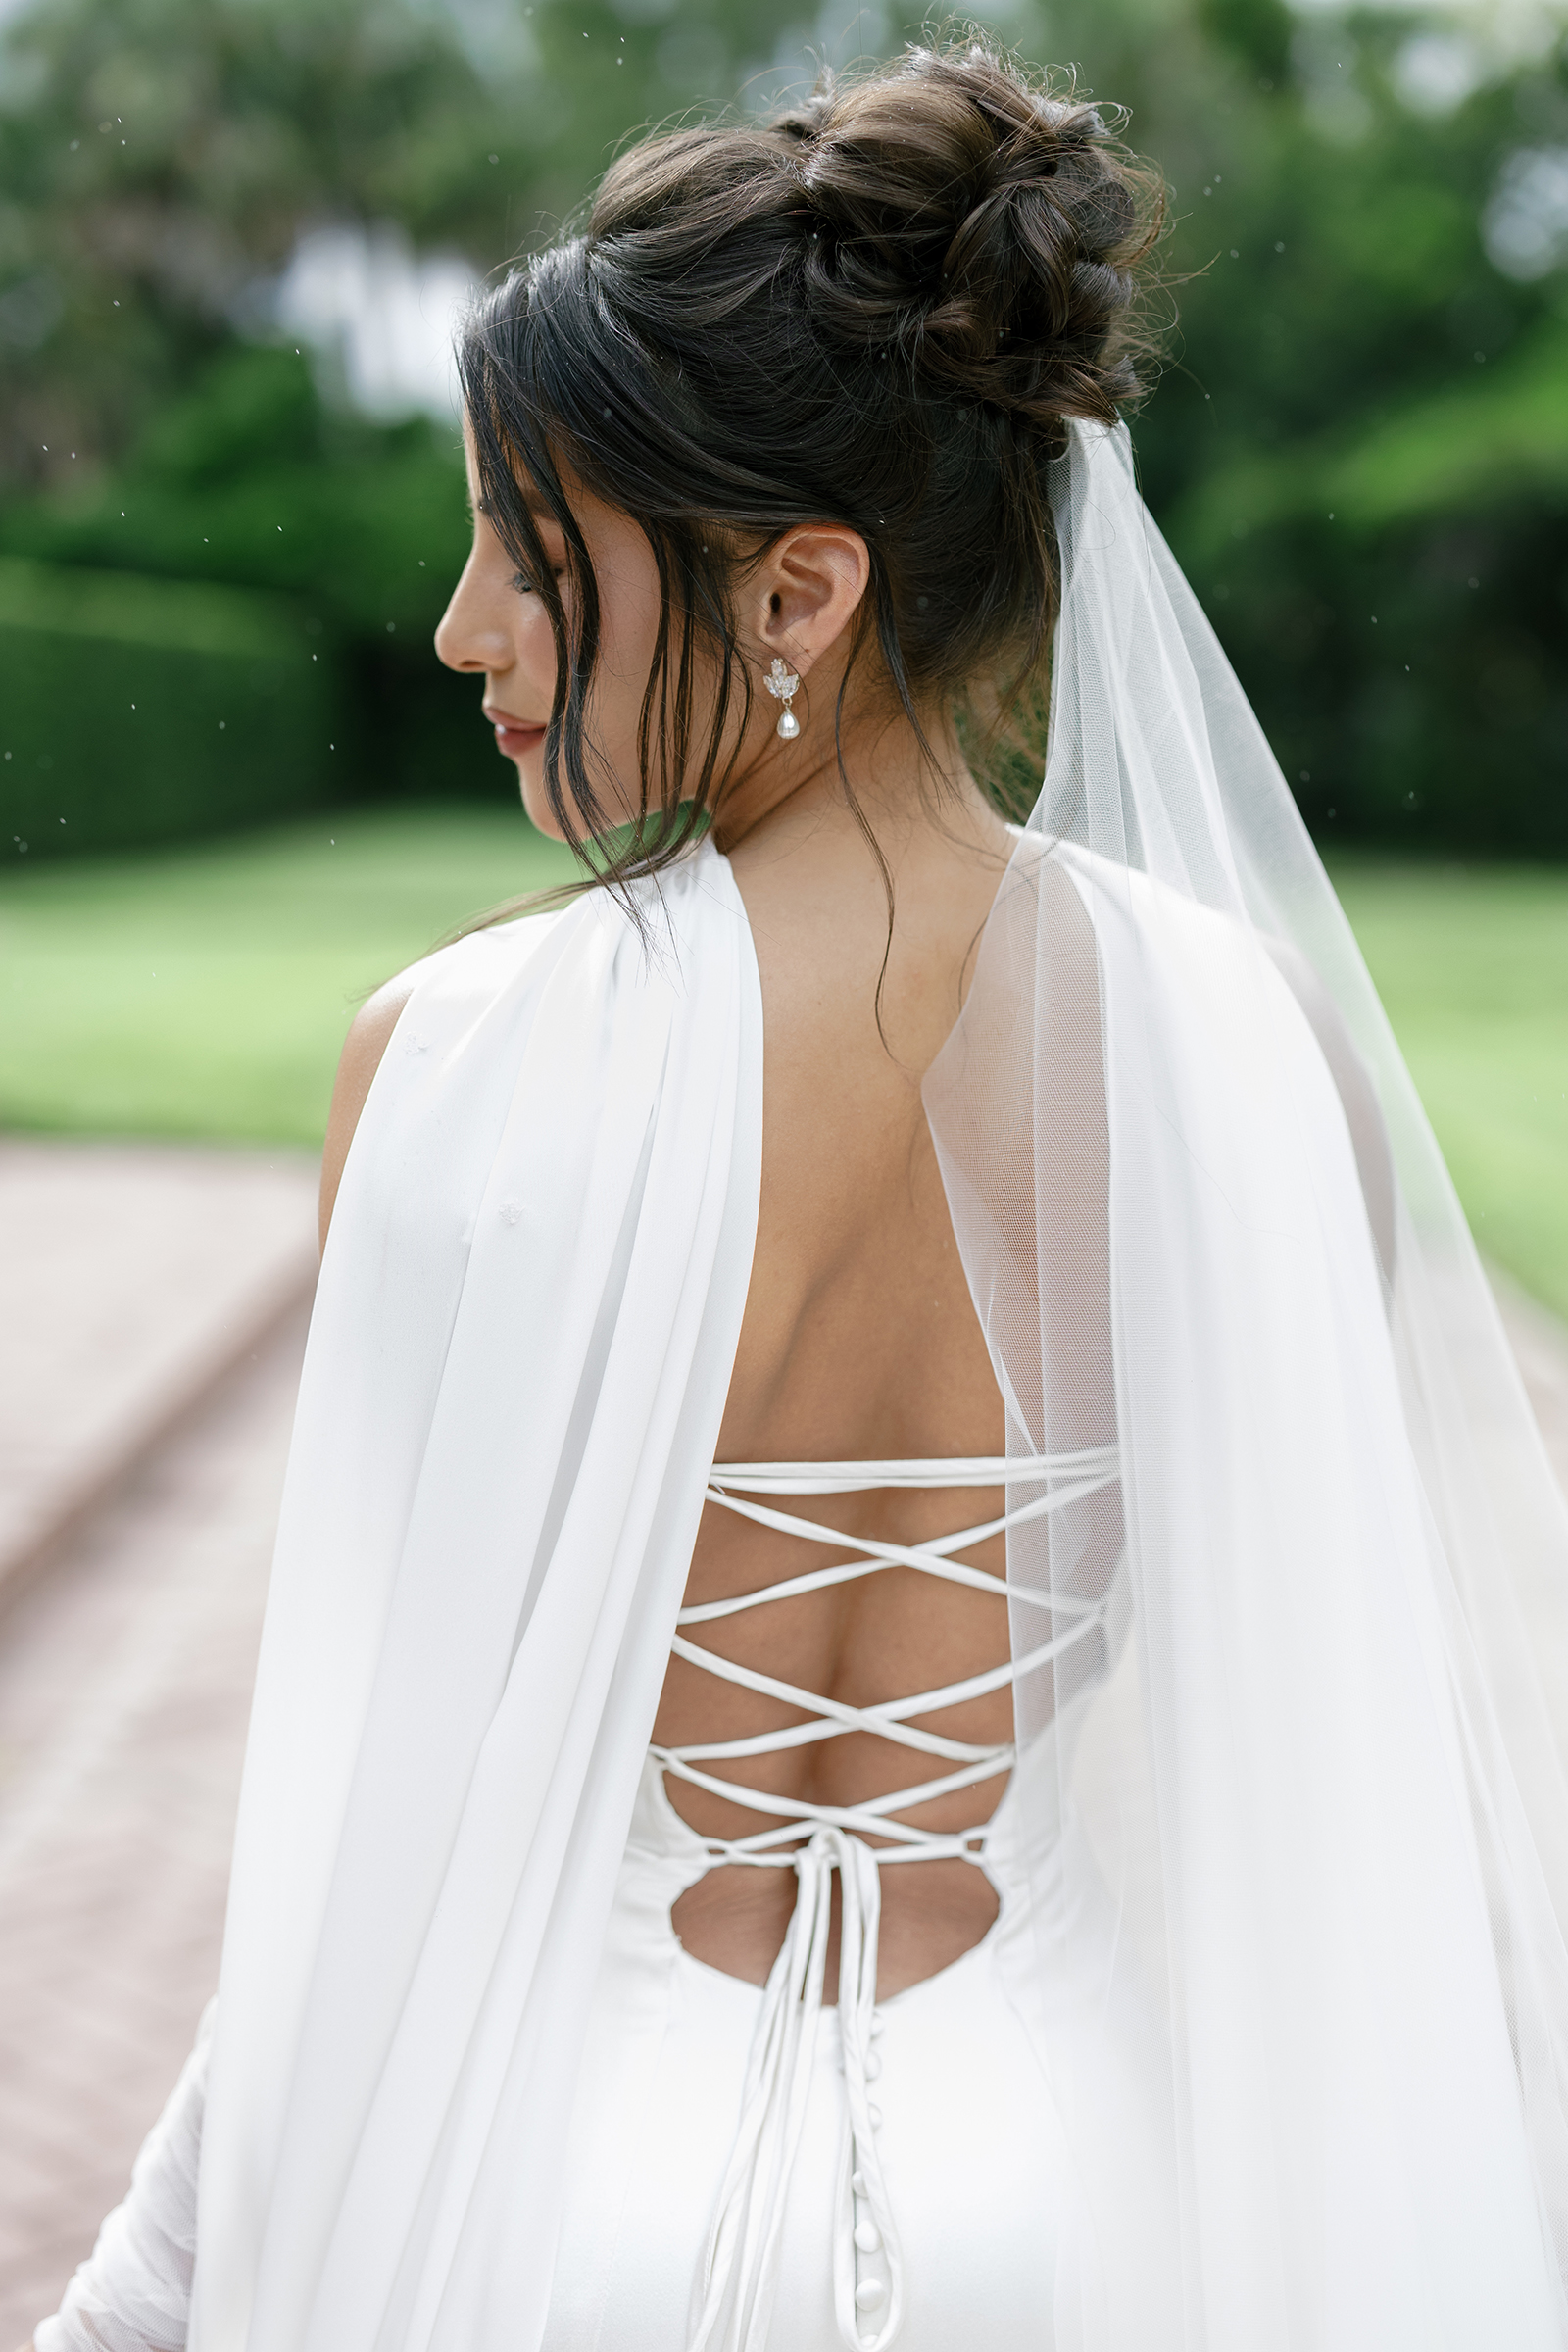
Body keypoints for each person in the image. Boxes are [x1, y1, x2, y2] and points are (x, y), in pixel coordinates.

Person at [30, 39, 1568, 2352]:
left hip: (564, 2192)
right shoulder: (1253, 1057)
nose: (462, 623)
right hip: (1075, 2182)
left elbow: (373, 1837)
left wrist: (136, 2309)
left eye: (528, 543)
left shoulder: (451, 1069)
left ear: (798, 590)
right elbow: (1294, 1782)